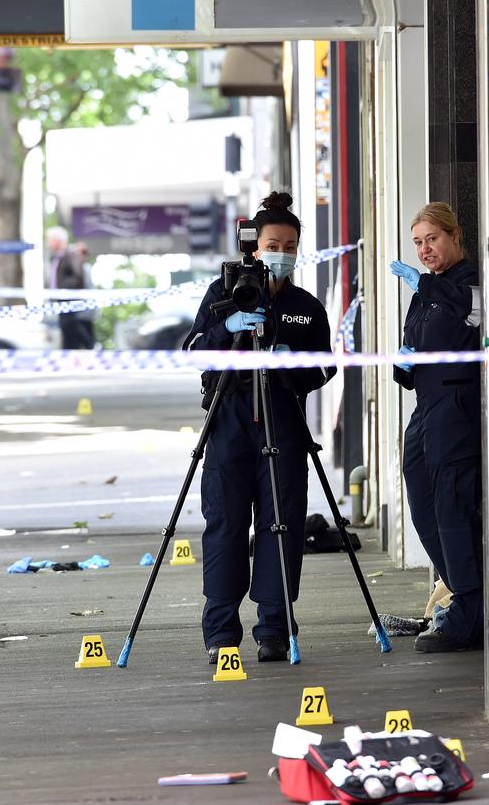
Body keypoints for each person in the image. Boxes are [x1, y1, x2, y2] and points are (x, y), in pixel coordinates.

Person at [183, 191, 336, 664]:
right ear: (254, 246)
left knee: (281, 524)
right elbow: (193, 352)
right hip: (228, 421)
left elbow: (326, 368)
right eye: (275, 244)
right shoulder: (220, 292)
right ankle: (220, 631)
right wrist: (229, 327)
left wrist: (293, 365)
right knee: (226, 524)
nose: (283, 254)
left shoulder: (306, 307)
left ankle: (275, 626)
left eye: (291, 247)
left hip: (284, 425)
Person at [391, 202, 482, 653]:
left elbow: (476, 314)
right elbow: (412, 347)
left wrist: (425, 286)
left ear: (455, 235)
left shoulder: (473, 283)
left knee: (452, 506)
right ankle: (456, 590)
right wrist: (402, 362)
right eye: (418, 243)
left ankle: (470, 607)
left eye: (432, 238)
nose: (425, 249)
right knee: (423, 503)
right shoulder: (423, 293)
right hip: (425, 407)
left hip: (456, 407)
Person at [46, 227, 94, 349]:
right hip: (60, 300)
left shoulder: (70, 255)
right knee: (67, 331)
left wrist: (64, 290)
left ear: (58, 240)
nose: (48, 243)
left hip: (69, 300)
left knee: (72, 330)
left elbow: (78, 276)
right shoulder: (56, 258)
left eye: (50, 240)